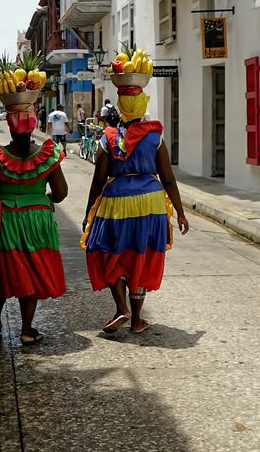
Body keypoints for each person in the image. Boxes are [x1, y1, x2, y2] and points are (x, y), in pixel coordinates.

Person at [81, 66, 189, 334]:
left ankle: (121, 308)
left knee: (109, 251)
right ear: (142, 106)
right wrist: (180, 211)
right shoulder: (154, 138)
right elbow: (169, 178)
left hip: (115, 201)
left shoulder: (107, 139)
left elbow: (97, 180)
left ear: (120, 107)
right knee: (143, 255)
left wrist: (88, 212)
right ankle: (137, 320)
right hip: (151, 202)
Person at [0, 93, 68, 345]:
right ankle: (27, 329)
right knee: (33, 269)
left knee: (4, 267)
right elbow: (60, 193)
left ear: (11, 129)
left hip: (4, 219)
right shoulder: (48, 155)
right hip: (38, 219)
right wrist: (43, 196)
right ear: (33, 125)